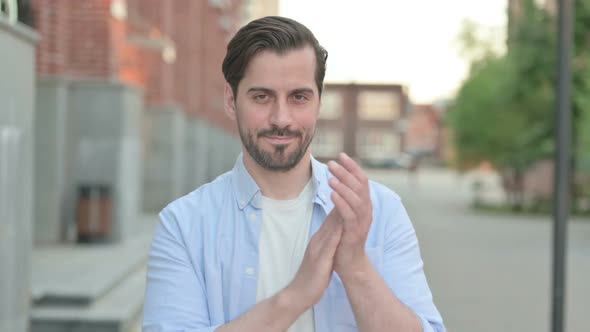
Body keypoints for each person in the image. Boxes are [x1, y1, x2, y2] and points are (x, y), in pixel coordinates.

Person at [142, 16, 445, 332]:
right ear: (231, 101)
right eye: (262, 96)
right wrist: (295, 297)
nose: (281, 118)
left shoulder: (381, 211)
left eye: (298, 97)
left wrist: (355, 267)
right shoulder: (183, 225)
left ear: (318, 103)